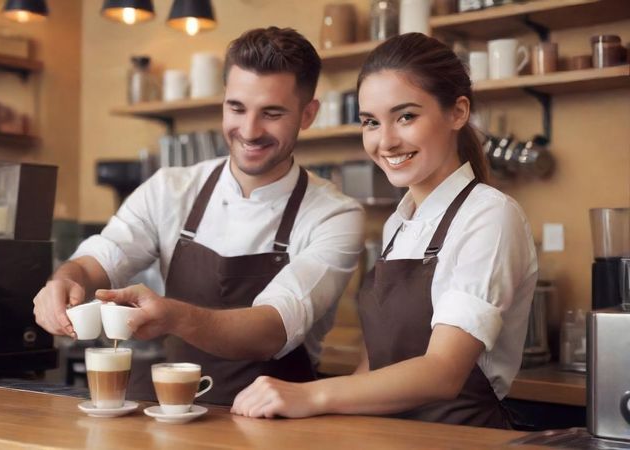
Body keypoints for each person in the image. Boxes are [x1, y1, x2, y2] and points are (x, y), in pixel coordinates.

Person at [33, 27, 364, 405]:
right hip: (176, 412)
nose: (249, 130)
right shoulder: (170, 189)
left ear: (308, 114)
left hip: (275, 421)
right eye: (236, 108)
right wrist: (66, 280)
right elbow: (103, 257)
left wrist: (175, 316)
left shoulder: (334, 215)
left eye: (271, 113)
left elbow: (274, 327)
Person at [230, 33, 538, 428]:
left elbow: (443, 372)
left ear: (458, 112)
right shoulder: (399, 223)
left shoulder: (489, 215)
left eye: (406, 116)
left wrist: (311, 394)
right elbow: (374, 365)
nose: (386, 141)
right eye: (371, 122)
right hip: (390, 435)